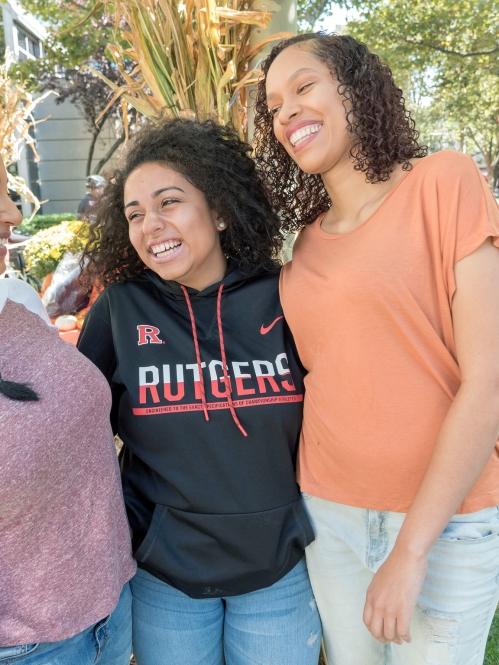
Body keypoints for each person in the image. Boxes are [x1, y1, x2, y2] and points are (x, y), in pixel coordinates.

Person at [253, 32, 499, 665]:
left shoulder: (444, 182)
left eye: (303, 87)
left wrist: (411, 548)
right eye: (275, 107)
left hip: (446, 523)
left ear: (355, 88)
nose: (287, 114)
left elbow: (489, 382)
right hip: (329, 516)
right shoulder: (301, 248)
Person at [76, 117, 322, 665]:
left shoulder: (283, 295)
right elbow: (74, 436)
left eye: (170, 202)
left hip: (278, 569)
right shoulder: (120, 310)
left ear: (220, 209)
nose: (149, 225)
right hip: (166, 577)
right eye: (135, 213)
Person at [0, 153, 136, 663]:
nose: (12, 214)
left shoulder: (17, 300)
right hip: (27, 648)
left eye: (9, 191)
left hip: (112, 610)